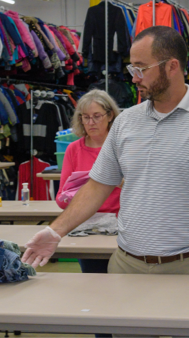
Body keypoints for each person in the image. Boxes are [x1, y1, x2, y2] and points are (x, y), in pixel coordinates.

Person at [23, 26, 189, 288]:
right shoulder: (125, 123)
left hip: (188, 269)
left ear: (172, 66)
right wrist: (56, 231)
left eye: (141, 68)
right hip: (125, 265)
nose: (134, 78)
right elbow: (98, 186)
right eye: (132, 69)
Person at [56, 89, 121, 276]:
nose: (90, 123)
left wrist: (118, 182)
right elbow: (61, 199)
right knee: (93, 281)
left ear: (110, 116)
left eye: (96, 116)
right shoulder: (73, 150)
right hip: (87, 227)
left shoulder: (122, 146)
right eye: (85, 117)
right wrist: (73, 194)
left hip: (120, 227)